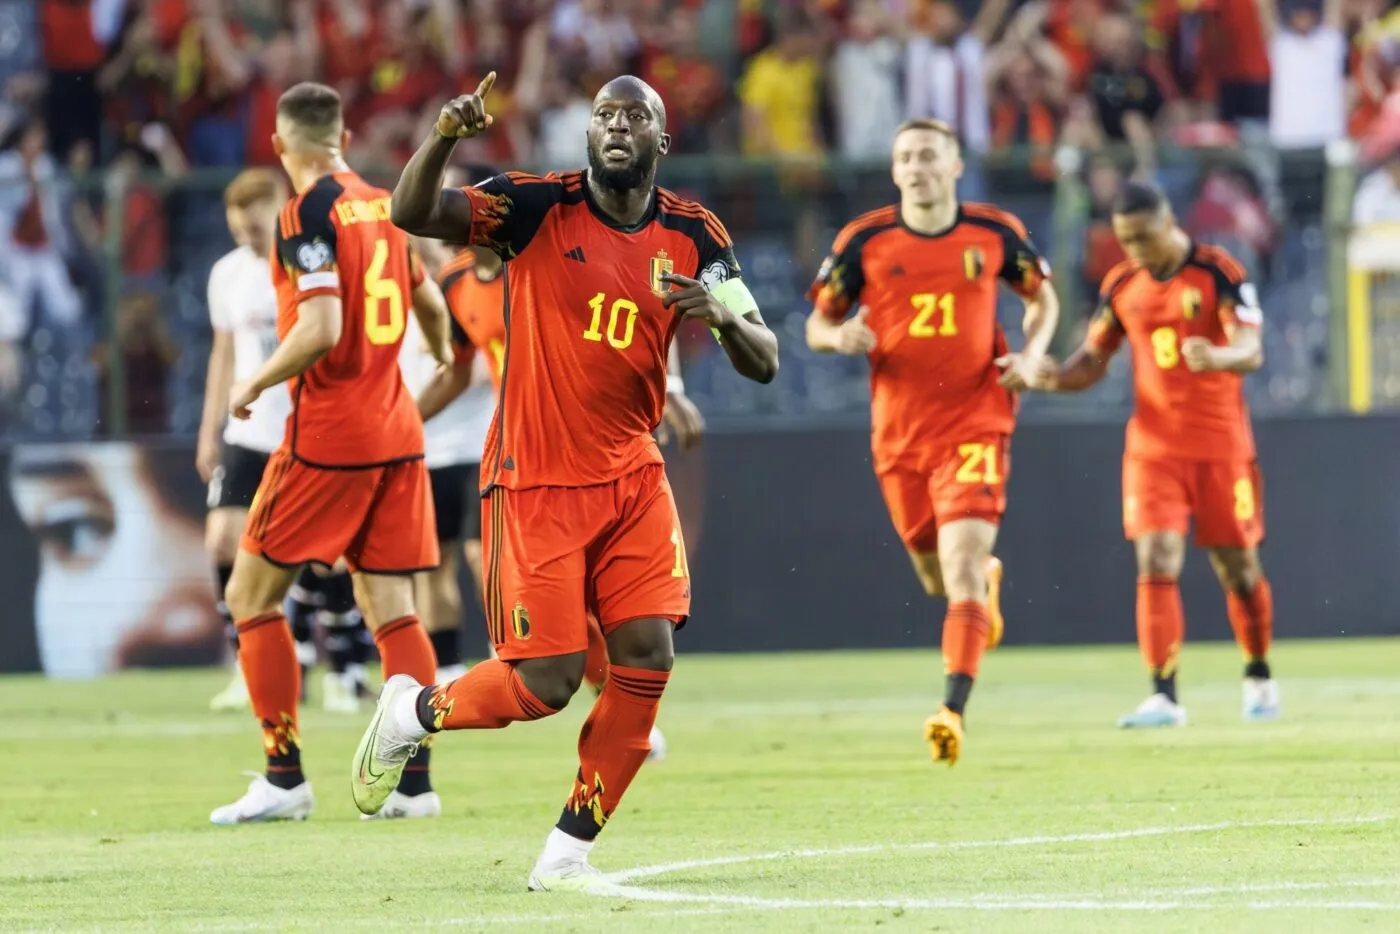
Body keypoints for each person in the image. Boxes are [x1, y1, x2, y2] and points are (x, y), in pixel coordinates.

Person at [357, 72, 778, 889]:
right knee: (544, 683)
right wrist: (444, 133)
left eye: (636, 116)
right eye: (603, 116)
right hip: (536, 477)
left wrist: (722, 316)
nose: (617, 125)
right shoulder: (532, 205)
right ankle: (413, 711)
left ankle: (567, 855)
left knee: (648, 655)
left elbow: (764, 359)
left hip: (630, 474)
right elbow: (412, 213)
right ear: (587, 136)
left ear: (662, 140)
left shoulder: (696, 235)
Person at [210, 81, 454, 826]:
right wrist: (441, 356)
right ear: (341, 137)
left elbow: (319, 327)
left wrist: (250, 379)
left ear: (283, 146)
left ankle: (284, 777)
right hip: (398, 436)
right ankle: (414, 786)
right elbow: (432, 303)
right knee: (393, 609)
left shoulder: (304, 213)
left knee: (249, 598)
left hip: (330, 438)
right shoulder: (385, 203)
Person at [805, 118, 1059, 767]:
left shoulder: (995, 232)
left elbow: (1043, 298)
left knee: (963, 563)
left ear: (954, 167)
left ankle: (952, 709)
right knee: (935, 575)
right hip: (899, 434)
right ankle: (981, 592)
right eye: (906, 158)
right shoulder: (863, 241)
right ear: (895, 173)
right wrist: (841, 338)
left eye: (928, 156)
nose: (916, 167)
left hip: (976, 418)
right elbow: (816, 323)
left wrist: (1032, 355)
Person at [1027, 181, 1278, 727]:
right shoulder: (1121, 285)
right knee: (1156, 557)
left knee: (1237, 567)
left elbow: (1252, 347)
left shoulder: (1219, 271)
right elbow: (1091, 363)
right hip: (1153, 448)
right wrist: (1050, 378)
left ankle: (1258, 674)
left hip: (1220, 445)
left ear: (1170, 222)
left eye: (1143, 237)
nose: (1135, 249)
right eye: (1125, 240)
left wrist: (1221, 354)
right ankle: (1164, 694)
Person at [198, 169, 294, 713]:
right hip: (247, 429)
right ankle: (244, 663)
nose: (249, 241)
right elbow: (224, 354)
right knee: (220, 541)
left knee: (316, 557)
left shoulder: (307, 262)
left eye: (255, 229)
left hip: (301, 431)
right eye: (239, 232)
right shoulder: (228, 275)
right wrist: (209, 428)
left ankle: (335, 664)